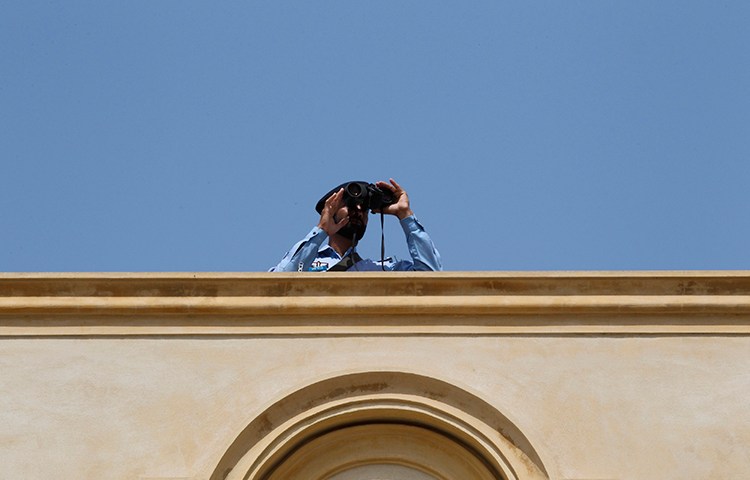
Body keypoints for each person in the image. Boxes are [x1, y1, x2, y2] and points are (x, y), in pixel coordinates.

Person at [269, 178, 442, 272]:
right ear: (332, 211)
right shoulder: (307, 262)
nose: (358, 211)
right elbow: (281, 280)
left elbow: (431, 276)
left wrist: (405, 214)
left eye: (365, 209)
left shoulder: (377, 269)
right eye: (351, 205)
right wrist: (321, 230)